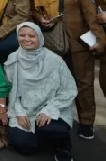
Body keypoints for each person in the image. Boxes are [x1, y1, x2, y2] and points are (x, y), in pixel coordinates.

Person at [30, 0, 106, 140]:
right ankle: (56, 119)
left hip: (78, 43)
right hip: (52, 42)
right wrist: (41, 19)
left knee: (83, 83)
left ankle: (86, 122)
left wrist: (100, 39)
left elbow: (91, 14)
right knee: (54, 83)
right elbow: (33, 9)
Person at [5, 23, 77, 161]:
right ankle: (39, 137)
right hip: (25, 109)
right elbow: (11, 89)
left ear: (40, 38)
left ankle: (62, 147)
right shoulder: (13, 59)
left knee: (53, 129)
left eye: (32, 36)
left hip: (52, 106)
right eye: (22, 35)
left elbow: (69, 89)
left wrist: (49, 110)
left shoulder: (55, 60)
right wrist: (19, 112)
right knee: (23, 145)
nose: (27, 39)